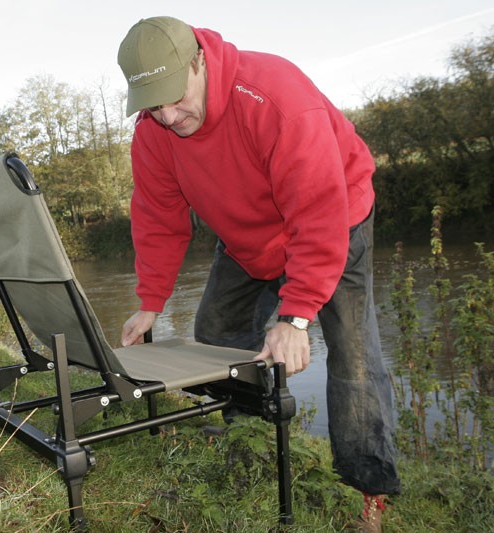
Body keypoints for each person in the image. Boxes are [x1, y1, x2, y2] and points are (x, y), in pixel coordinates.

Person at [117, 16, 400, 531]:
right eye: (154, 105)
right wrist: (151, 301)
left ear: (198, 61)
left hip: (336, 217)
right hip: (247, 237)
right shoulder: (153, 133)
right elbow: (158, 217)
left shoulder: (275, 97)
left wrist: (295, 317)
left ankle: (368, 490)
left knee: (353, 356)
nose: (169, 116)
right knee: (216, 332)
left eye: (175, 97)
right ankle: (250, 436)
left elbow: (316, 210)